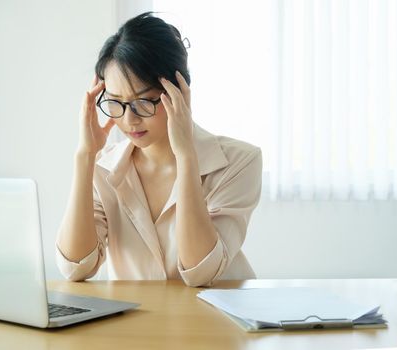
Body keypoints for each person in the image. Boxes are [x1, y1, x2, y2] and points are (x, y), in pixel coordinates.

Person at [55, 12, 262, 287]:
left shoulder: (240, 161)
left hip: (215, 323)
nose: (129, 120)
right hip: (136, 325)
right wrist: (85, 156)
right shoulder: (104, 166)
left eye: (145, 101)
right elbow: (75, 267)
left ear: (179, 92)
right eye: (115, 102)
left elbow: (200, 272)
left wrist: (186, 157)